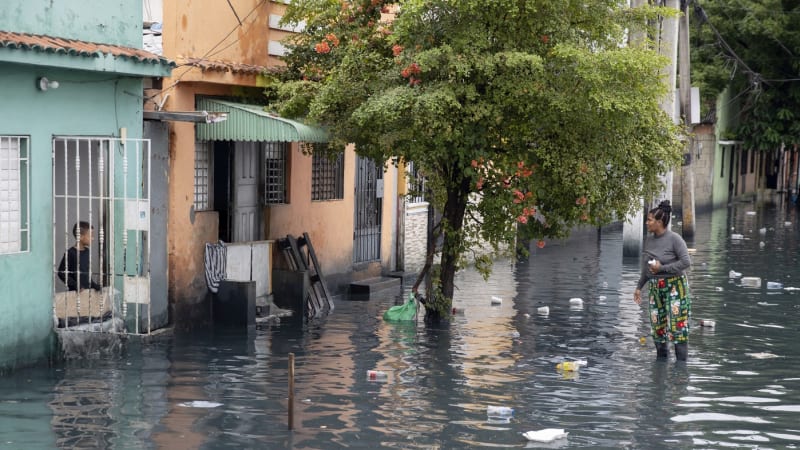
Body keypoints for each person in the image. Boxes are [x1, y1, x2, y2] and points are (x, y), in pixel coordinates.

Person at [633, 200, 692, 361]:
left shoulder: (675, 239)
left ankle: (680, 371)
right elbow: (648, 266)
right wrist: (639, 287)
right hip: (655, 288)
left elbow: (686, 262)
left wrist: (663, 269)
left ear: (659, 222)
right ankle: (661, 366)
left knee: (678, 329)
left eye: (649, 220)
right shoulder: (650, 240)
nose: (647, 223)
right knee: (658, 329)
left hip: (675, 286)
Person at [58, 221, 102, 292]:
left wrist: (94, 285)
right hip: (76, 293)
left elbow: (86, 274)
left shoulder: (87, 251)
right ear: (81, 237)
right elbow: (61, 273)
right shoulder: (70, 253)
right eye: (91, 236)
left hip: (87, 292)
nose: (93, 238)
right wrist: (75, 285)